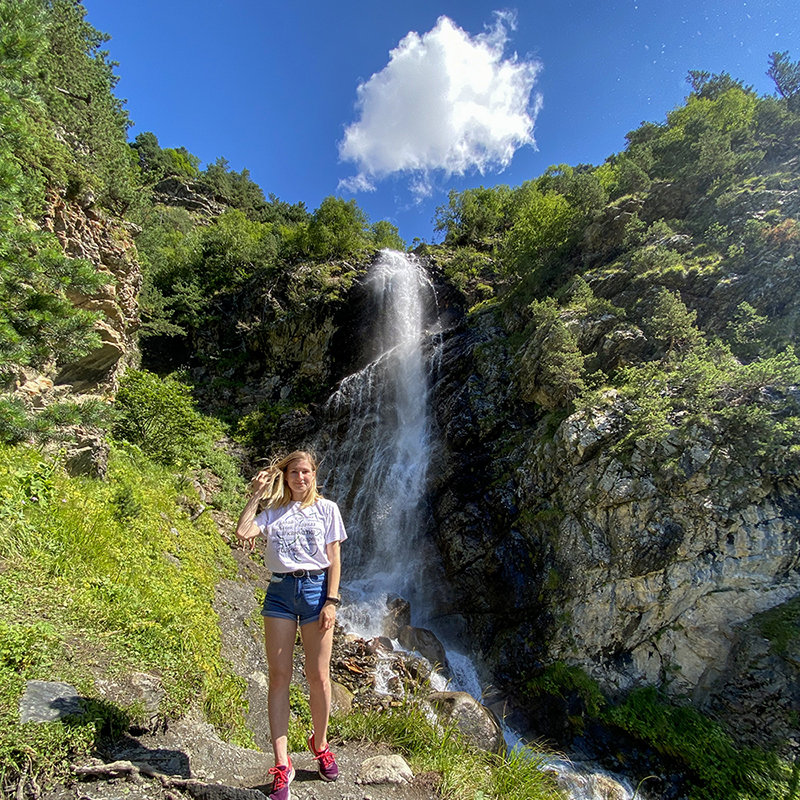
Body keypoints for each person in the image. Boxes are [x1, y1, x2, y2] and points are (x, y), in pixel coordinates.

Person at [235, 450, 346, 800]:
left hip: (316, 592)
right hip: (280, 592)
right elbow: (243, 530)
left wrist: (332, 600)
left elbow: (334, 557)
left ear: (314, 475)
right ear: (286, 475)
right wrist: (256, 493)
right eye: (294, 471)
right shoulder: (274, 511)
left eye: (306, 471)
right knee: (279, 675)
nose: (300, 477)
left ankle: (320, 742)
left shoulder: (327, 509)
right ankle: (282, 764)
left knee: (319, 676)